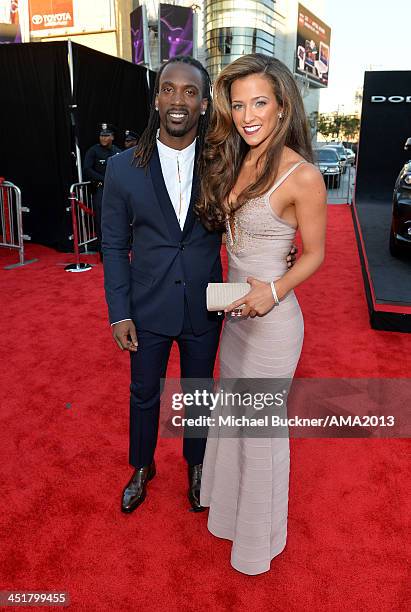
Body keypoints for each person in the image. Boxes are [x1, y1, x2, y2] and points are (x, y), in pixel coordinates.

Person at [101, 56, 297, 516]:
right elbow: (113, 245)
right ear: (156, 98)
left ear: (205, 104)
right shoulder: (122, 167)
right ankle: (142, 466)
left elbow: (258, 214)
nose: (178, 100)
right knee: (143, 393)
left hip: (206, 304)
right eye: (169, 89)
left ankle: (197, 467)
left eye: (190, 92)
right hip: (145, 308)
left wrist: (285, 245)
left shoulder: (226, 162)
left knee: (199, 394)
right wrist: (119, 310)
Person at [197, 53, 327, 575]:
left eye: (260, 103)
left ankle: (257, 542)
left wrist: (272, 289)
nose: (248, 114)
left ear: (281, 108)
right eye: (238, 104)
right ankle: (229, 518)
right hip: (235, 316)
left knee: (260, 431)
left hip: (273, 324)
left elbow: (315, 253)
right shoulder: (237, 157)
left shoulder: (303, 175)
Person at [83, 123, 121, 255]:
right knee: (101, 220)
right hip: (101, 190)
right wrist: (103, 179)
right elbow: (87, 169)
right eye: (101, 135)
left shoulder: (117, 151)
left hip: (116, 192)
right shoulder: (93, 151)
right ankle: (102, 251)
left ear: (112, 137)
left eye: (106, 136)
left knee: (117, 220)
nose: (103, 138)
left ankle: (118, 247)